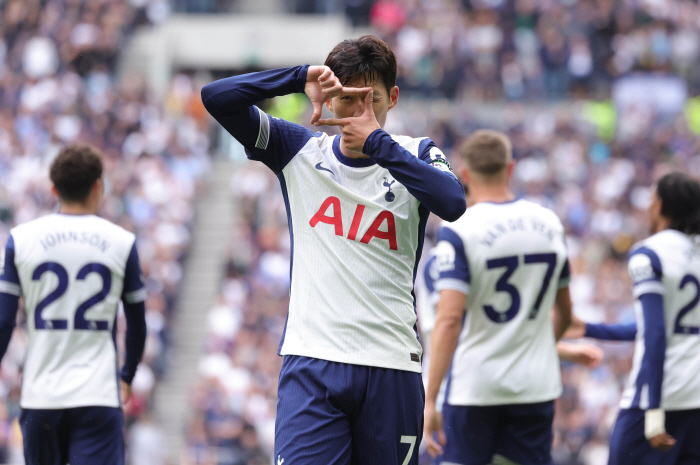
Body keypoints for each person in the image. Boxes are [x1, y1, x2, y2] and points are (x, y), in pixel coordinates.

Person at [201, 35, 466, 464]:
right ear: (329, 96)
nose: (359, 112)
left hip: (391, 364)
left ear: (392, 98)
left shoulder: (416, 153)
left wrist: (378, 143)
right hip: (313, 363)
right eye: (347, 98)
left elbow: (453, 203)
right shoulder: (300, 151)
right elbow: (216, 97)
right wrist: (296, 77)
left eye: (371, 99)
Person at [424, 130, 573, 465]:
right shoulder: (549, 222)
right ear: (510, 168)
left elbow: (449, 319)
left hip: (476, 385)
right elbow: (565, 312)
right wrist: (540, 346)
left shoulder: (459, 230)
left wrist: (430, 398)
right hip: (536, 383)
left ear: (464, 174)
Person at [0, 144, 148, 465]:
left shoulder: (21, 239)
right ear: (99, 186)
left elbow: (4, 321)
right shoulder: (122, 242)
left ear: (54, 188)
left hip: (41, 394)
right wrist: (126, 376)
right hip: (97, 393)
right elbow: (137, 325)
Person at [564, 172, 700, 465]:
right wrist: (590, 328)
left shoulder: (649, 253)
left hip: (660, 396)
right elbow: (662, 326)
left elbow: (655, 333)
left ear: (660, 205)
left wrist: (653, 409)